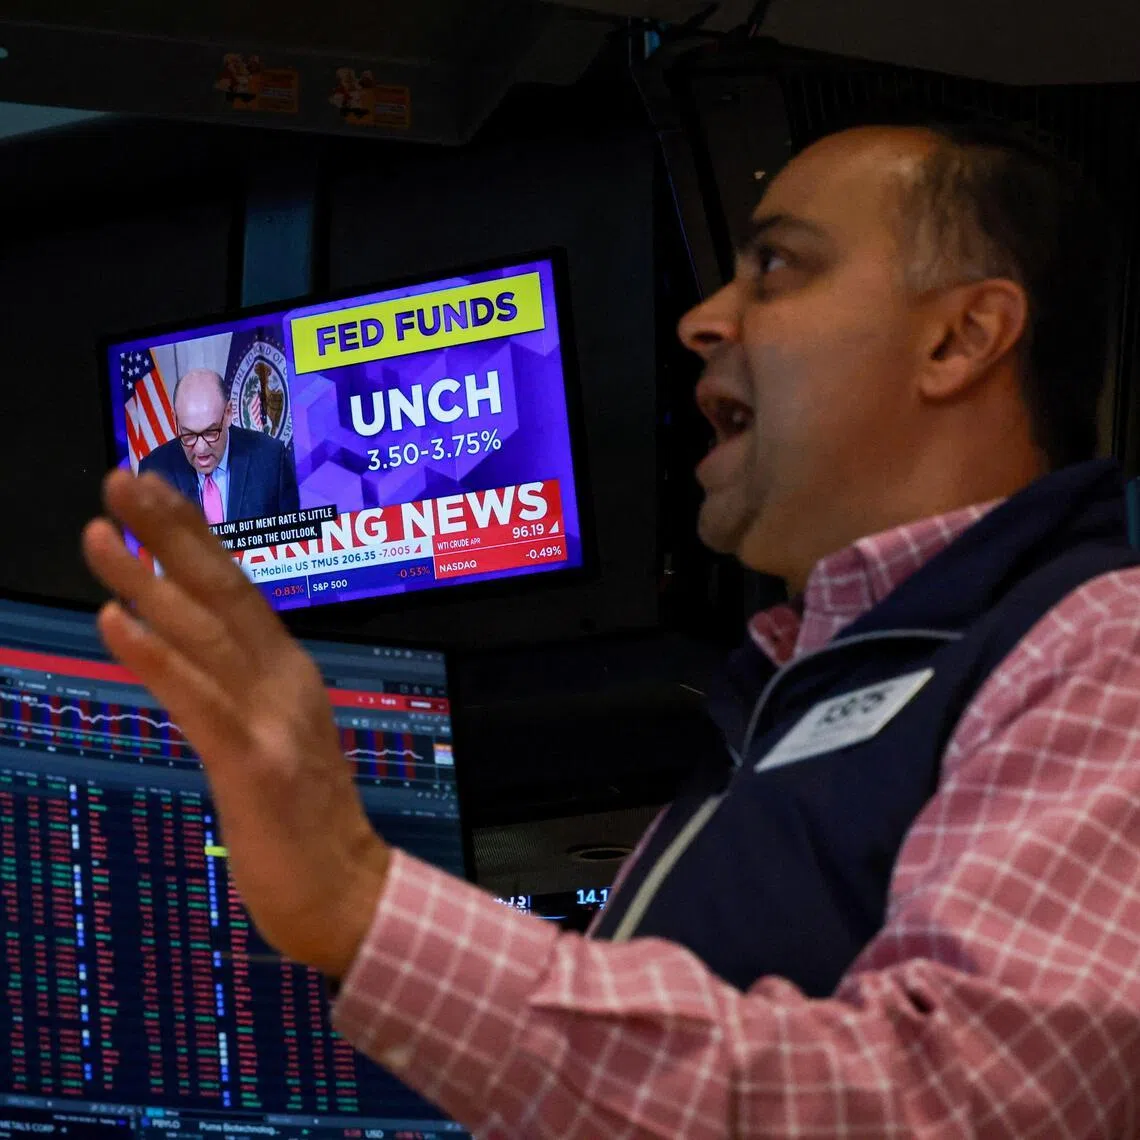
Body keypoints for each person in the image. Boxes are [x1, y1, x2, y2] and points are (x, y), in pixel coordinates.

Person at [81, 119, 1140, 1137]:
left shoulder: (1101, 647)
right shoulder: (800, 699)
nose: (706, 318)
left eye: (778, 267)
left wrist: (363, 901)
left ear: (961, 338)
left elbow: (958, 1111)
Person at [139, 368, 300, 525]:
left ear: (228, 413)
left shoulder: (270, 459)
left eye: (210, 432)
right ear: (175, 419)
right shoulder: (153, 472)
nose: (200, 449)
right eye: (188, 434)